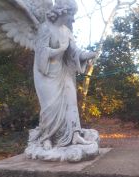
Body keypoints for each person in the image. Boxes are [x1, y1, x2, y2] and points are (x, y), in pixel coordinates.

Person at [31, 0, 96, 150]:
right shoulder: (45, 29)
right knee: (50, 107)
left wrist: (87, 55)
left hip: (63, 72)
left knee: (71, 102)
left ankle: (75, 135)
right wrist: (59, 50)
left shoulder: (66, 31)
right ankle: (47, 138)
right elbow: (41, 54)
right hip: (46, 74)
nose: (73, 19)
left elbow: (74, 52)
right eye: (72, 15)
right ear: (63, 12)